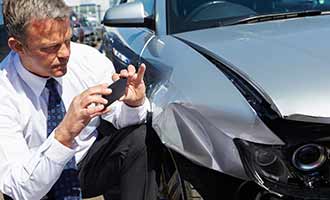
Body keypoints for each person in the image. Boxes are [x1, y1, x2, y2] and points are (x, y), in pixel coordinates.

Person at [0, 0, 156, 199]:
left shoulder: (90, 61)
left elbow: (118, 119)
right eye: (50, 47)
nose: (65, 53)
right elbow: (18, 187)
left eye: (67, 40)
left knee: (139, 136)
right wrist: (65, 133)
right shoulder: (4, 92)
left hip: (86, 164)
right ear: (18, 46)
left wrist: (132, 104)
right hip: (34, 179)